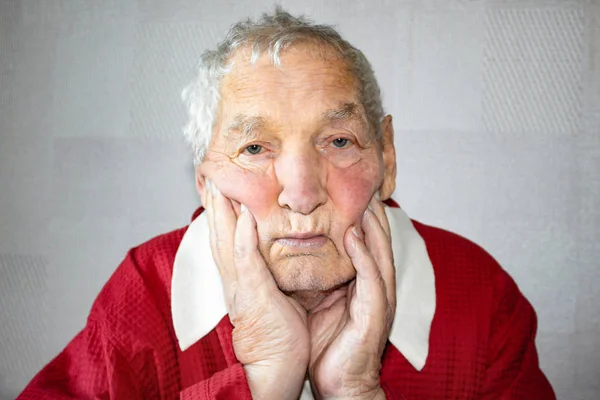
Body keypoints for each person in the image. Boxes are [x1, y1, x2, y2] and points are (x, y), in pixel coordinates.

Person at [18, 7, 555, 400]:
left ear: (386, 157)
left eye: (339, 141)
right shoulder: (146, 291)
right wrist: (262, 381)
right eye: (254, 148)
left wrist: (356, 392)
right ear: (206, 183)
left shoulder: (481, 296)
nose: (301, 194)